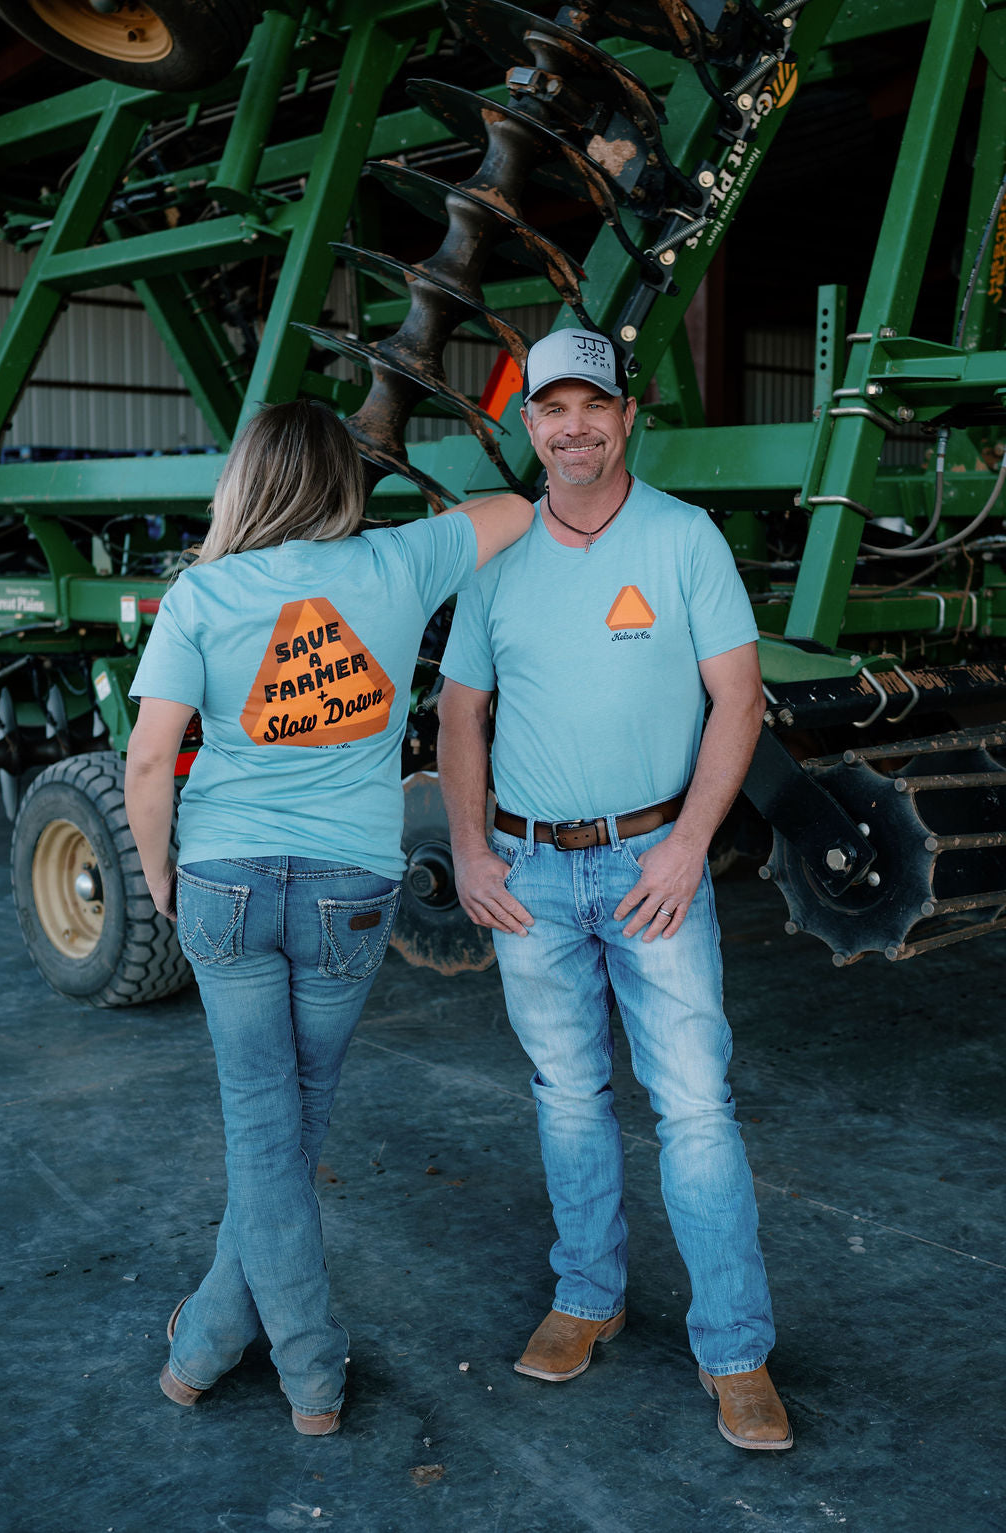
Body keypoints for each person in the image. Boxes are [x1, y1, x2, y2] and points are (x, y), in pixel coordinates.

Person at [125, 399, 532, 1435]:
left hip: (224, 880)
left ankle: (246, 1354)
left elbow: (148, 759)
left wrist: (160, 874)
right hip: (349, 890)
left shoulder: (203, 592)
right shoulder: (399, 564)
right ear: (344, 481)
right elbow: (516, 512)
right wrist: (404, 532)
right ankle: (254, 1355)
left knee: (268, 1129)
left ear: (246, 482)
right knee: (290, 1124)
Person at [436, 328, 791, 1450]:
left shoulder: (684, 539)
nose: (574, 427)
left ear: (628, 416)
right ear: (530, 425)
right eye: (554, 409)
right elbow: (459, 713)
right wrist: (469, 850)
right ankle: (588, 1295)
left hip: (652, 869)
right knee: (567, 1095)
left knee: (694, 1107)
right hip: (529, 872)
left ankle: (735, 1351)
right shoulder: (497, 559)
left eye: (595, 405)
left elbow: (739, 700)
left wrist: (688, 846)